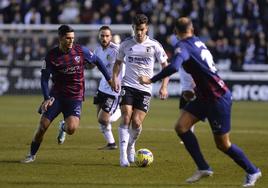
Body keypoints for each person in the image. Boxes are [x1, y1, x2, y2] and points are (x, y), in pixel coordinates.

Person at [139, 17, 261, 187]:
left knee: (223, 144)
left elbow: (174, 67)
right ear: (192, 29)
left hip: (217, 99)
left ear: (175, 31)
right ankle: (203, 167)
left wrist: (151, 80)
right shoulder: (198, 42)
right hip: (206, 97)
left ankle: (252, 170)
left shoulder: (183, 46)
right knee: (181, 127)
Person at [21, 24, 111, 163]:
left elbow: (97, 61)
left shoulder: (80, 51)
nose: (71, 41)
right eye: (68, 38)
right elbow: (44, 79)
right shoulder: (51, 56)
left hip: (75, 96)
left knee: (71, 129)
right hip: (56, 96)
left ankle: (63, 126)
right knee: (42, 126)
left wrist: (109, 79)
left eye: (73, 38)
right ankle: (31, 155)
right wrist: (46, 98)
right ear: (61, 38)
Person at [111, 14, 169, 167]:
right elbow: (117, 63)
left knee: (136, 122)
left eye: (142, 29)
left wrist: (163, 86)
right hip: (128, 85)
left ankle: (131, 145)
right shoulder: (125, 44)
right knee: (126, 117)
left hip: (145, 89)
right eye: (137, 29)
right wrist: (114, 78)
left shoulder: (155, 45)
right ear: (133, 28)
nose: (139, 33)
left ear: (146, 28)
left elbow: (166, 67)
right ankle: (123, 155)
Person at [93, 25, 125, 150]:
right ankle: (111, 143)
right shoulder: (97, 51)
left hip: (113, 90)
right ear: (99, 36)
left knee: (103, 119)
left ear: (111, 37)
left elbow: (128, 65)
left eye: (107, 36)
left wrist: (121, 82)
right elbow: (93, 65)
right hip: (102, 87)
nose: (104, 38)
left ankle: (120, 112)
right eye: (102, 36)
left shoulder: (117, 50)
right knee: (99, 118)